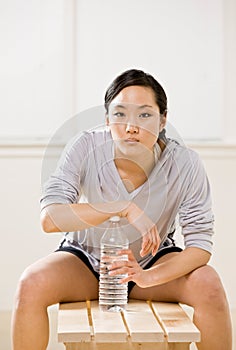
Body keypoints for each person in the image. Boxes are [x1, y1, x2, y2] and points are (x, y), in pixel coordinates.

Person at [11, 69, 232, 350]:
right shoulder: (85, 146)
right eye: (119, 114)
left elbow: (200, 246)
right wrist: (122, 206)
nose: (131, 127)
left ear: (163, 119)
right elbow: (51, 218)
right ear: (106, 119)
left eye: (144, 115)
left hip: (152, 264)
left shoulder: (185, 163)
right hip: (86, 263)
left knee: (209, 283)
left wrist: (147, 276)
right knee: (30, 283)